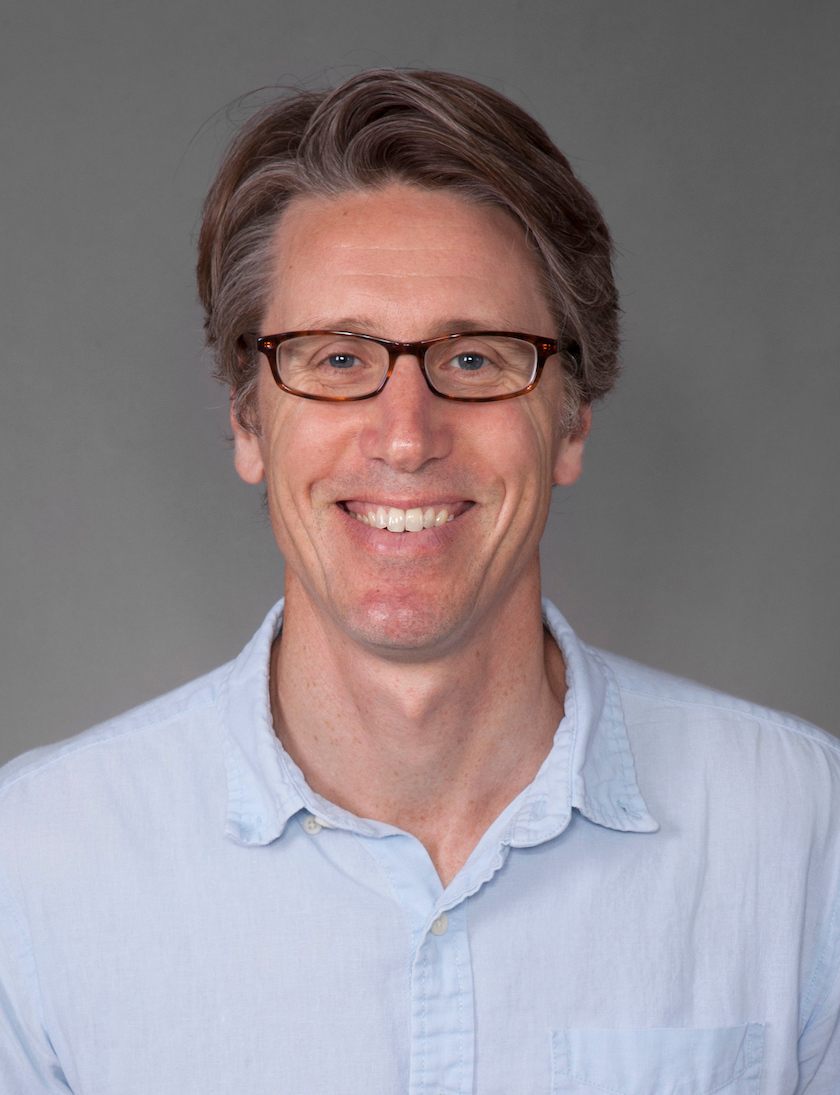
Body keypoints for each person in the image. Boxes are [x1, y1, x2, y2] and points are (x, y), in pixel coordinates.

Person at [0, 69, 837, 1094]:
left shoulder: (803, 838)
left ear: (572, 421)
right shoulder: (33, 872)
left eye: (476, 359)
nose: (405, 436)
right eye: (337, 359)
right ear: (247, 421)